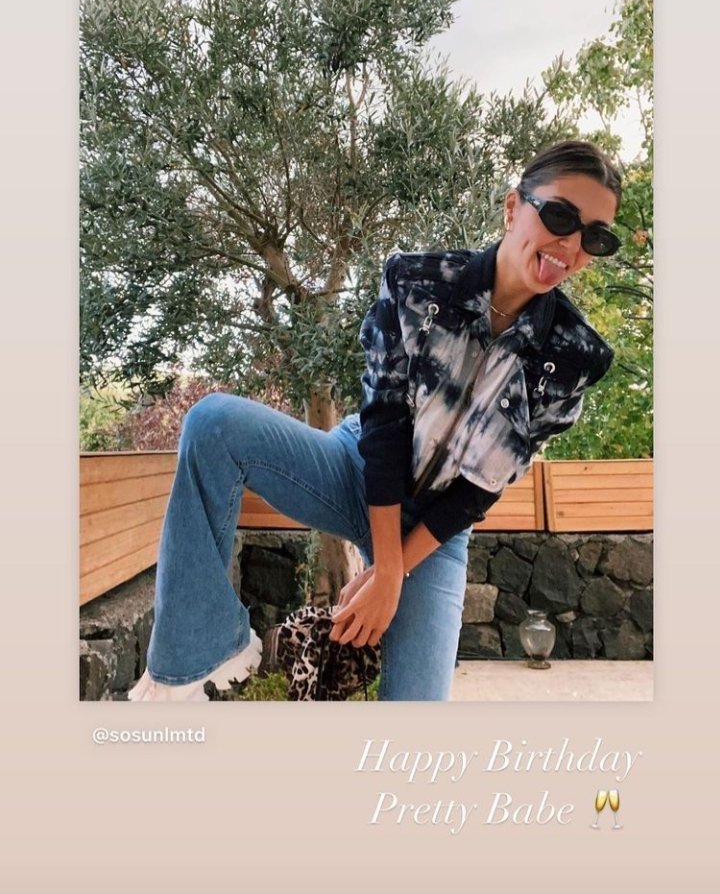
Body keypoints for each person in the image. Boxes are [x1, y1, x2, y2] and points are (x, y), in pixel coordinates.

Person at [128, 139, 622, 703]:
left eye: (596, 237)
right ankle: (197, 660)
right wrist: (386, 568)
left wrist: (395, 571)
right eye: (559, 216)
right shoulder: (417, 282)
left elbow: (481, 488)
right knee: (213, 423)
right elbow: (384, 424)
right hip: (357, 468)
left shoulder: (576, 355)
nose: (571, 245)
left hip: (436, 528)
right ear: (513, 207)